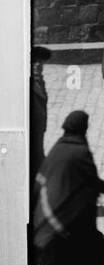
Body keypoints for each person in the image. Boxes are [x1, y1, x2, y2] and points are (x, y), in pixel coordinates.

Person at [32, 111, 104, 265]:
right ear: (83, 128)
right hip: (62, 225)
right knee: (83, 252)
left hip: (45, 220)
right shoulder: (80, 151)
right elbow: (92, 182)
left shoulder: (58, 147)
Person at [30, 46, 50, 203]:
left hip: (39, 127)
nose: (38, 66)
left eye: (40, 63)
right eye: (35, 62)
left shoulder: (40, 81)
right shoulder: (27, 85)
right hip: (32, 129)